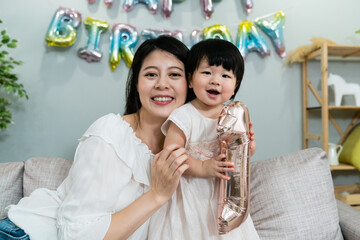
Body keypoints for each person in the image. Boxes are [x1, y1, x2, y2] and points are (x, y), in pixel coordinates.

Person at [1, 36, 191, 240]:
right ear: (136, 84)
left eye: (174, 74)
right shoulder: (110, 133)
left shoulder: (189, 152)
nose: (162, 84)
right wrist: (157, 195)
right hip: (26, 234)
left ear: (190, 84)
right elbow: (77, 235)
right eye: (151, 74)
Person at [148, 38, 260, 239]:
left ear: (235, 87)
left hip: (225, 198)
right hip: (190, 197)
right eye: (207, 72)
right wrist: (203, 168)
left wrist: (246, 148)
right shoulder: (184, 116)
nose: (215, 80)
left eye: (225, 75)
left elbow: (238, 159)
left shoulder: (233, 115)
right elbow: (172, 154)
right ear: (190, 80)